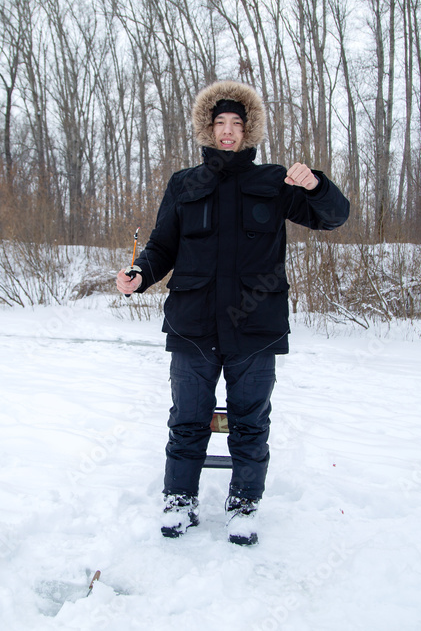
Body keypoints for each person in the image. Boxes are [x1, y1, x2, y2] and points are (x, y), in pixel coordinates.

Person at [115, 80, 350, 545]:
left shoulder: (273, 180)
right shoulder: (184, 183)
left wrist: (317, 184)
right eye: (219, 123)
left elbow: (333, 216)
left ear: (249, 130)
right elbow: (163, 245)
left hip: (255, 325)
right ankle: (179, 501)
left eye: (236, 124)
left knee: (250, 420)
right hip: (193, 325)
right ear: (207, 127)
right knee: (187, 418)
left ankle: (244, 504)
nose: (227, 132)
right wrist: (139, 274)